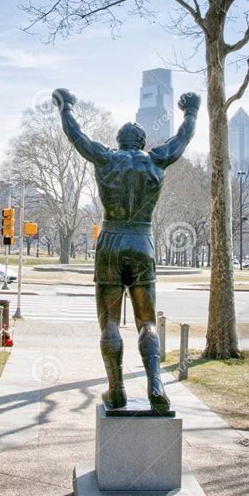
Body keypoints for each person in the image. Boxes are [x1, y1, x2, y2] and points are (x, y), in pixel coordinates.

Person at [53, 87, 200, 413]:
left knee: (108, 324)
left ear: (119, 141)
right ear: (143, 142)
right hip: (142, 242)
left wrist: (66, 106)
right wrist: (191, 110)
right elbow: (183, 137)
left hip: (110, 241)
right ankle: (155, 384)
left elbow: (74, 134)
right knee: (146, 321)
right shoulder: (157, 159)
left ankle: (116, 389)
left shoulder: (105, 157)